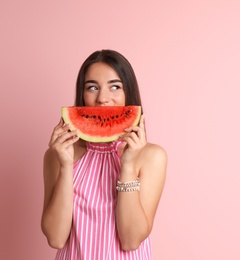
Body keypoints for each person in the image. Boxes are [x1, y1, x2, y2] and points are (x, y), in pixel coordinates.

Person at [41, 49, 167, 260]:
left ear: (129, 93)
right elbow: (56, 238)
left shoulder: (151, 156)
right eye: (92, 87)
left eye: (115, 87)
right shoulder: (57, 155)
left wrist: (127, 166)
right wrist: (65, 166)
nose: (102, 98)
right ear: (82, 95)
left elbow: (130, 240)